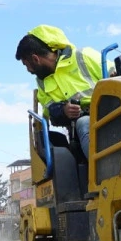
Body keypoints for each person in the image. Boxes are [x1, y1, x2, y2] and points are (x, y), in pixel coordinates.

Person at [14, 25, 107, 159]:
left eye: (26, 64)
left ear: (35, 59)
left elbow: (119, 77)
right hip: (80, 125)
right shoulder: (42, 83)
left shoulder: (84, 56)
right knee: (83, 123)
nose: (28, 70)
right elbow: (50, 112)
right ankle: (100, 170)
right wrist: (63, 110)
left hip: (111, 111)